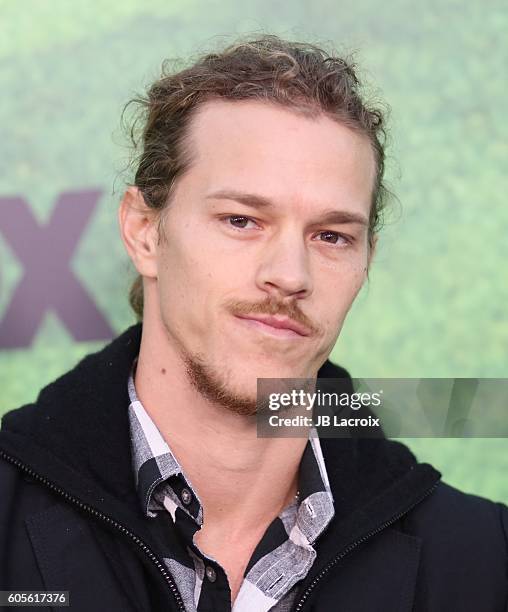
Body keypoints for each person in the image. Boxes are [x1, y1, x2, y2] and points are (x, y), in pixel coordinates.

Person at [0, 34, 506, 612]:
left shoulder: (484, 561)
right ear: (144, 231)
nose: (290, 275)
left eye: (332, 236)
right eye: (242, 220)